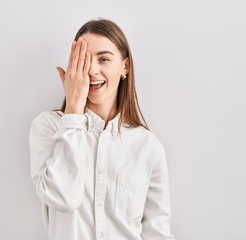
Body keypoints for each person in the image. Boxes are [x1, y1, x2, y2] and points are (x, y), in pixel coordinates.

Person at [29, 18, 175, 240]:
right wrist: (74, 110)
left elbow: (158, 232)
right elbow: (63, 198)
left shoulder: (148, 147)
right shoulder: (49, 127)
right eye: (85, 61)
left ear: (124, 66)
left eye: (104, 59)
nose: (92, 71)